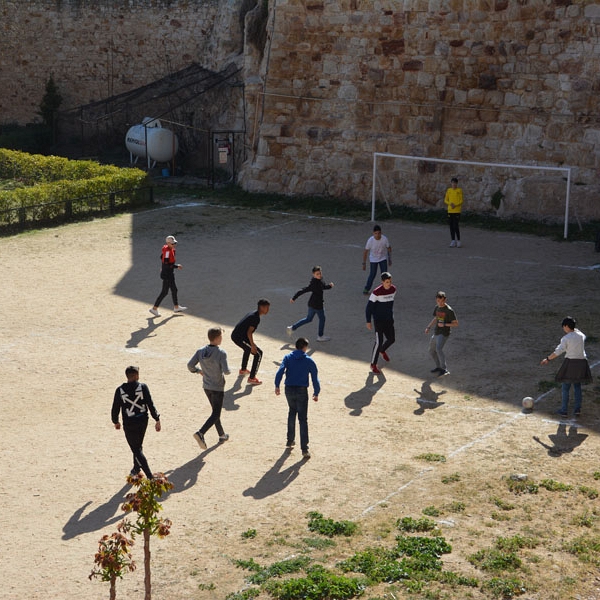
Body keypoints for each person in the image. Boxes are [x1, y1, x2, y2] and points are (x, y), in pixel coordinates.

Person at [111, 365, 161, 479]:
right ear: (137, 375)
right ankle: (136, 468)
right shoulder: (143, 387)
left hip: (129, 423)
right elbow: (150, 403)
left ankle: (149, 476)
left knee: (136, 448)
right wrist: (157, 419)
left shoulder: (120, 390)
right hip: (143, 420)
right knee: (138, 445)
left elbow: (115, 407)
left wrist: (116, 421)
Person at [275, 337, 320, 459]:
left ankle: (290, 440)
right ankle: (304, 449)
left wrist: (277, 385)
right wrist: (316, 392)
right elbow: (315, 377)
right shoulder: (309, 360)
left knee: (292, 412)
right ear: (305, 347)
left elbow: (280, 371)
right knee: (303, 419)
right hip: (301, 390)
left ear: (295, 346)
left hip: (289, 389)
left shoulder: (288, 357)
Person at [187, 326, 231, 449]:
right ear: (217, 338)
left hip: (206, 386)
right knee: (216, 413)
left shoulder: (200, 351)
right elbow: (226, 371)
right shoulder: (221, 353)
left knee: (214, 412)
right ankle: (201, 433)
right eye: (221, 336)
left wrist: (198, 371)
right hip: (217, 387)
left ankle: (222, 435)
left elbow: (190, 365)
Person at [540, 316, 592, 417]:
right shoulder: (581, 336)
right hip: (581, 363)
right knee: (577, 386)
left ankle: (564, 410)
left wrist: (548, 359)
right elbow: (582, 334)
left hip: (570, 363)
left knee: (565, 387)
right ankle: (577, 409)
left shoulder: (566, 338)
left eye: (564, 327)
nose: (563, 329)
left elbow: (558, 351)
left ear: (567, 326)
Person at [287, 266, 334, 342]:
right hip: (318, 305)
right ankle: (320, 336)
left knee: (308, 319)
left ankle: (292, 328)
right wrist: (294, 298)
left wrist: (329, 286)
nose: (319, 275)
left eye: (320, 273)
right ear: (313, 274)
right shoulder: (314, 284)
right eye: (317, 274)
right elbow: (303, 290)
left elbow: (323, 287)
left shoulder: (320, 280)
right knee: (322, 319)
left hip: (311, 304)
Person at [231, 298, 271, 386]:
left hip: (239, 335)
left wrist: (251, 345)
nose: (268, 310)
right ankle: (252, 378)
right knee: (258, 353)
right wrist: (253, 345)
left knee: (248, 349)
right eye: (267, 308)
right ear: (261, 307)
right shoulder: (255, 318)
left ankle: (243, 370)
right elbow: (249, 332)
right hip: (239, 337)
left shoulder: (254, 313)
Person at [365, 272, 397, 374]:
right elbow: (369, 307)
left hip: (389, 320)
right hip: (378, 321)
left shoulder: (393, 289)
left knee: (391, 339)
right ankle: (373, 364)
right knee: (378, 342)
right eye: (387, 282)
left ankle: (382, 350)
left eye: (390, 282)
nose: (389, 284)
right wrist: (368, 321)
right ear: (382, 282)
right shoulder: (376, 292)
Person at [149, 235, 187, 317]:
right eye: (172, 244)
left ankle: (176, 307)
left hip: (169, 273)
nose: (174, 245)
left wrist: (163, 267)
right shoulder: (167, 252)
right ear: (168, 243)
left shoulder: (169, 249)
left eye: (174, 243)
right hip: (167, 275)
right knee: (165, 292)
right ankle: (154, 309)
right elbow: (167, 264)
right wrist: (177, 266)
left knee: (174, 290)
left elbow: (161, 257)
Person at [425, 291, 458, 377]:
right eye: (438, 301)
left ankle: (444, 369)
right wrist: (428, 327)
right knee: (431, 350)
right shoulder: (437, 307)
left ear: (445, 299)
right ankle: (438, 367)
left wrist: (444, 324)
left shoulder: (449, 311)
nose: (440, 303)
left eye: (442, 301)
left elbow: (456, 323)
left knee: (439, 349)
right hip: (436, 332)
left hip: (444, 333)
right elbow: (436, 318)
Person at [362, 224, 392, 294]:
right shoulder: (370, 240)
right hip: (373, 259)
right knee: (372, 274)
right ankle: (366, 288)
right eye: (376, 233)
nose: (377, 235)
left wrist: (389, 259)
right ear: (373, 233)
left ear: (381, 233)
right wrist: (364, 263)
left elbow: (389, 248)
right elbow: (365, 252)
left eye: (379, 233)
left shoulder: (384, 239)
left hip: (383, 258)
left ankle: (385, 288)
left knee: (385, 274)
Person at [444, 177, 463, 247]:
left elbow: (461, 201)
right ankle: (453, 240)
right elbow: (445, 200)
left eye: (455, 183)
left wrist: (455, 205)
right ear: (451, 183)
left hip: (457, 211)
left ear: (456, 183)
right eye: (452, 183)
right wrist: (450, 204)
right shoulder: (449, 190)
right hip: (450, 211)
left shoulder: (459, 190)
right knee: (451, 226)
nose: (453, 184)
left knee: (456, 226)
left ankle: (458, 241)